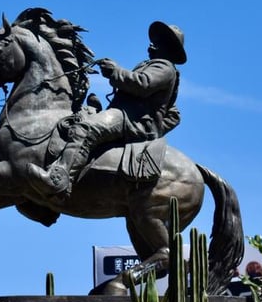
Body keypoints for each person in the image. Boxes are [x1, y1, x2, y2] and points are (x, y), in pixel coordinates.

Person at [26, 20, 186, 202]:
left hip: (131, 119)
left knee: (86, 129)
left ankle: (60, 180)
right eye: (153, 40)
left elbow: (142, 84)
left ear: (169, 48)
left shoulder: (164, 67)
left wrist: (115, 71)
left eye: (158, 42)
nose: (151, 44)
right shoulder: (152, 64)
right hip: (126, 115)